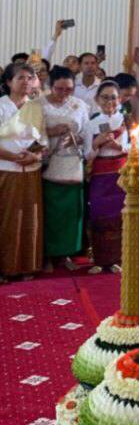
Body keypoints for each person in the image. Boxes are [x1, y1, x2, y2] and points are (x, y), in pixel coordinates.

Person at [0, 63, 46, 281]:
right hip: (6, 170)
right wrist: (14, 158)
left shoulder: (35, 107)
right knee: (7, 218)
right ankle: (5, 268)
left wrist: (35, 156)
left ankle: (27, 266)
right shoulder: (1, 106)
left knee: (29, 218)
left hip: (31, 171)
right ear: (9, 82)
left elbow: (42, 140)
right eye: (21, 77)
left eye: (30, 77)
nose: (26, 81)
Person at [41, 66, 88, 271]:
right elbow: (29, 133)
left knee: (70, 212)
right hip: (47, 164)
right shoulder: (38, 104)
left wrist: (77, 138)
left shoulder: (80, 105)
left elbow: (87, 133)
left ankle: (67, 253)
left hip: (72, 164)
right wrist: (50, 132)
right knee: (50, 212)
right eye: (59, 89)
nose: (64, 93)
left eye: (69, 89)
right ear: (50, 86)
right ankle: (47, 255)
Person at [83, 80, 129, 274]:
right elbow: (87, 154)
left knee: (120, 217)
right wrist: (97, 144)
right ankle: (100, 260)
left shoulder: (127, 121)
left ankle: (118, 259)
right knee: (99, 216)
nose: (109, 101)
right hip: (100, 175)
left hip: (121, 174)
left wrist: (119, 147)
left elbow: (137, 146)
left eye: (113, 97)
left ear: (120, 100)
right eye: (105, 97)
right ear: (97, 99)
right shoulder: (91, 124)